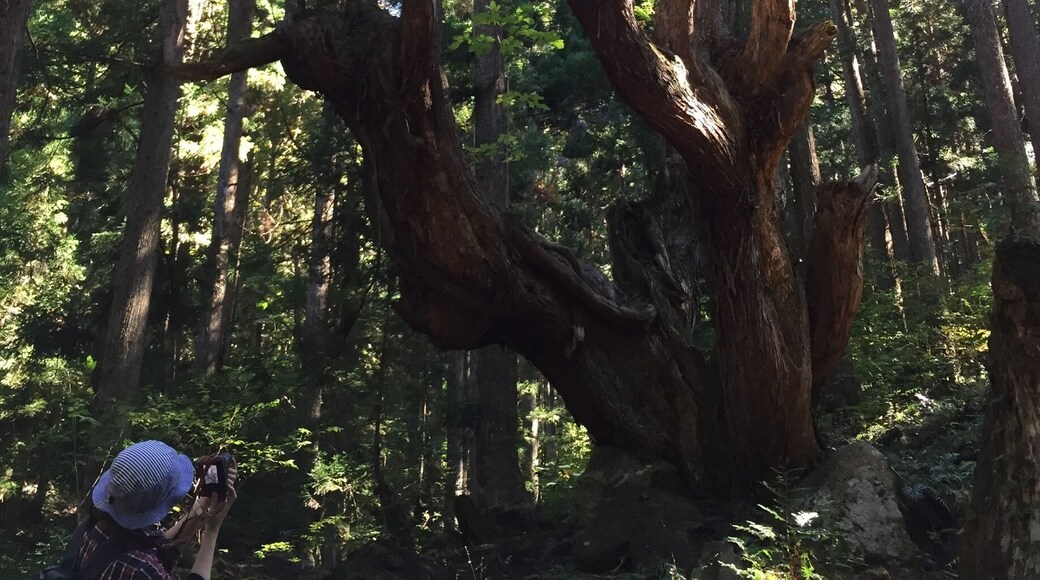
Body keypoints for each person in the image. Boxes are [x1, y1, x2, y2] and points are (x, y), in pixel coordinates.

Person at [70, 440, 237, 580]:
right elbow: (152, 553)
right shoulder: (143, 569)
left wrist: (203, 504)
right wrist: (212, 530)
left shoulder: (92, 527)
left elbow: (159, 544)